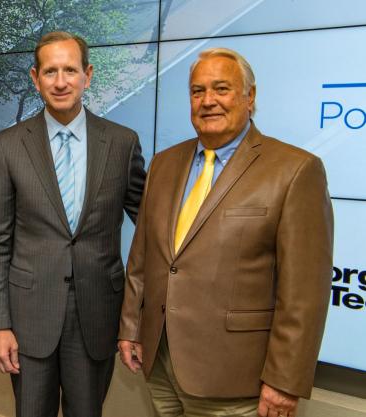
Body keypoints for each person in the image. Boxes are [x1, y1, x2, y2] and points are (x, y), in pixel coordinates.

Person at [119, 47, 333, 417]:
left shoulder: (296, 170)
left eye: (222, 89)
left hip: (236, 382)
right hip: (161, 366)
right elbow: (142, 258)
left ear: (250, 97)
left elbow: (304, 294)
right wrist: (130, 327)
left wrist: (285, 380)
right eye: (198, 91)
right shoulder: (164, 163)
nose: (208, 101)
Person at [0, 31, 146, 417]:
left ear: (87, 75)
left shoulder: (122, 143)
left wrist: (138, 314)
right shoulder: (8, 146)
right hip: (27, 319)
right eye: (50, 71)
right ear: (34, 78)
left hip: (98, 315)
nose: (60, 81)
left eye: (70, 70)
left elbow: (151, 228)